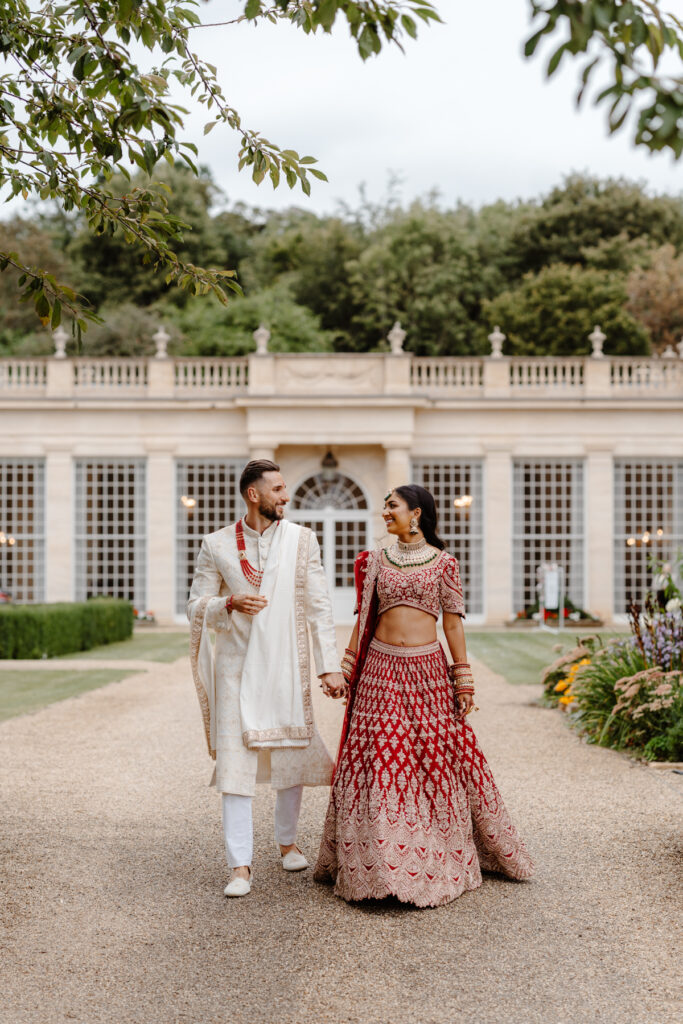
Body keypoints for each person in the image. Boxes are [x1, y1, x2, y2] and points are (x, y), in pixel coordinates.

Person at [314, 484, 534, 907]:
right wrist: (346, 669)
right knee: (380, 760)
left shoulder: (444, 563)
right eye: (384, 507)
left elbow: (452, 624)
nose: (384, 513)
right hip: (379, 669)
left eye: (391, 506)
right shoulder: (376, 560)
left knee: (432, 759)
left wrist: (462, 677)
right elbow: (364, 619)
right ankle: (377, 864)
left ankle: (433, 850)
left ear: (416, 513)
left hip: (427, 672)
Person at [188, 459, 346, 898]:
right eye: (277, 489)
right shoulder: (217, 544)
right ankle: (239, 867)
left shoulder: (302, 540)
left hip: (287, 663)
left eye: (285, 488)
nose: (285, 496)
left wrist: (328, 666)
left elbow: (319, 605)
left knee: (289, 756)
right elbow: (195, 605)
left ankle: (288, 842)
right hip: (236, 668)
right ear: (253, 494)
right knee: (236, 765)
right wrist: (228, 604)